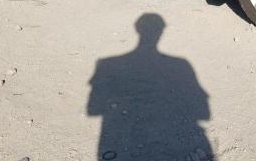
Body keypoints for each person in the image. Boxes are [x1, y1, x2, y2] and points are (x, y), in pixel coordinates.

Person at [87, 14, 212, 160]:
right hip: (165, 142)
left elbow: (93, 109)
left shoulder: (107, 64)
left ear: (137, 30)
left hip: (121, 141)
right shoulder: (181, 64)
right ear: (162, 32)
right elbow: (204, 113)